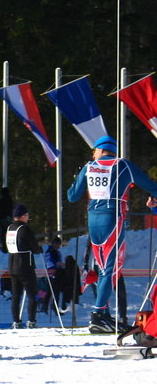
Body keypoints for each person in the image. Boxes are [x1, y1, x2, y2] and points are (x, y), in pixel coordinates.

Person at [67, 135, 157, 333]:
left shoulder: (88, 167)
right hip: (112, 220)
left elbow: (72, 196)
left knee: (102, 268)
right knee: (110, 269)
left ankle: (104, 314)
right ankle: (98, 315)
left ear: (100, 149)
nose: (93, 155)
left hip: (93, 222)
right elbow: (151, 186)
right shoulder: (123, 165)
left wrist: (76, 179)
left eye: (94, 151)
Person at [6, 204, 39, 329]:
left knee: (16, 296)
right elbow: (34, 246)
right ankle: (31, 321)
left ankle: (16, 321)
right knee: (32, 295)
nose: (28, 217)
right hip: (25, 266)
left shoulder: (10, 228)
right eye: (27, 215)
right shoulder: (24, 229)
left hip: (12, 265)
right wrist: (38, 249)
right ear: (22, 216)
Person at [0, 187, 14, 252]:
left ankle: (5, 249)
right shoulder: (10, 200)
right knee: (9, 233)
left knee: (4, 234)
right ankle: (9, 247)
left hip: (4, 219)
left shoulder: (3, 200)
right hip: (9, 219)